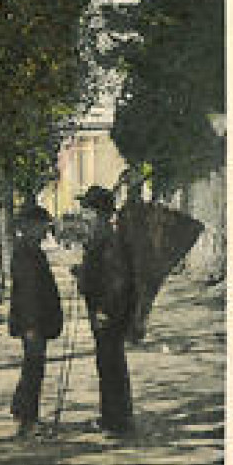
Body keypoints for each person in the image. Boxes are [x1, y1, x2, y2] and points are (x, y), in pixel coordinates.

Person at [75, 185, 137, 437]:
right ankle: (113, 417)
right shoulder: (100, 238)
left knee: (110, 364)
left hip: (108, 313)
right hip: (104, 311)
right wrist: (82, 273)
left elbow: (117, 281)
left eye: (87, 210)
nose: (83, 215)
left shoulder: (108, 239)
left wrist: (104, 310)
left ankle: (117, 422)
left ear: (99, 213)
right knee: (108, 363)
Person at [8, 204, 64, 438]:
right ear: (30, 226)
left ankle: (24, 413)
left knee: (33, 369)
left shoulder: (29, 249)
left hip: (36, 322)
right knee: (33, 370)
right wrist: (31, 326)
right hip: (33, 323)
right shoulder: (26, 252)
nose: (45, 232)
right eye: (42, 226)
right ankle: (27, 420)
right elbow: (29, 293)